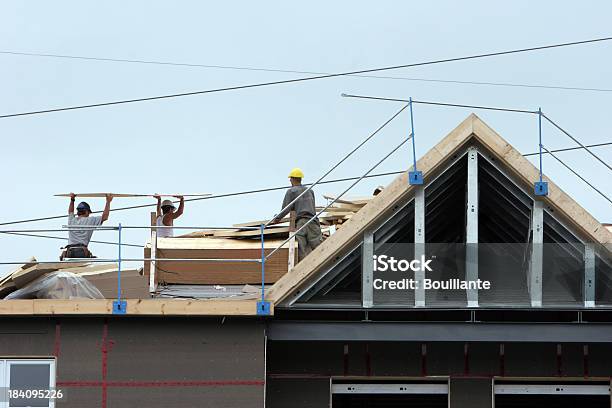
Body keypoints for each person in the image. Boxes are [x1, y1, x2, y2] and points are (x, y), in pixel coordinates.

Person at [272, 168, 322, 261]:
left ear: (292, 179)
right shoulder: (310, 191)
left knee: (302, 249)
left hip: (301, 223)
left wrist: (277, 218)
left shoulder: (291, 191)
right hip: (313, 222)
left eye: (290, 179)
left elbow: (286, 208)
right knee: (319, 248)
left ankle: (304, 271)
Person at [61, 193, 112, 260]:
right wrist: (108, 201)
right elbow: (105, 217)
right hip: (81, 251)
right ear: (86, 211)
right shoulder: (90, 220)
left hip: (70, 251)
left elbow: (70, 211)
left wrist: (72, 199)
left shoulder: (71, 220)